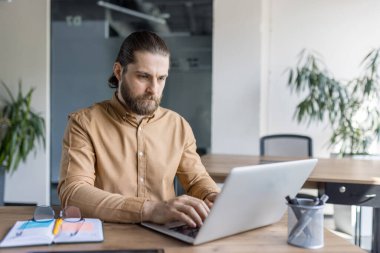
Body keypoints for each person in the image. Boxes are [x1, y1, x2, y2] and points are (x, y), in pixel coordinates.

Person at [58, 31, 220, 228]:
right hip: (108, 236)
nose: (154, 89)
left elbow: (197, 180)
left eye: (161, 78)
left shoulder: (178, 125)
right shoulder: (83, 123)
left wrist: (212, 195)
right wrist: (150, 210)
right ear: (119, 72)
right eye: (144, 77)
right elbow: (73, 193)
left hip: (167, 236)